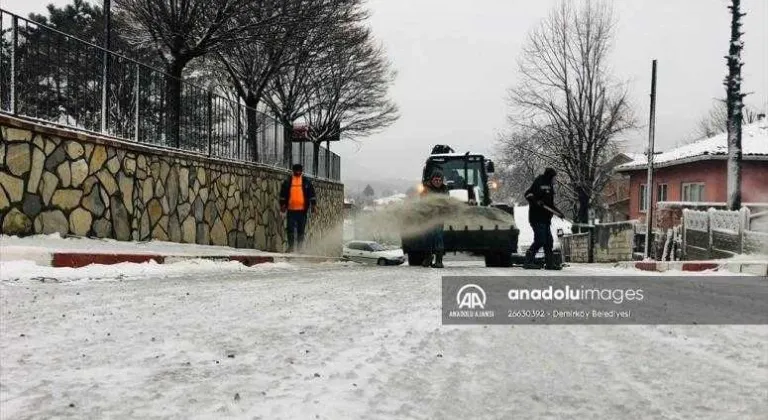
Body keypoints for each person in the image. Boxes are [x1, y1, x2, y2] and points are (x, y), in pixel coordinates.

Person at [524, 167, 565, 270]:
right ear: (549, 176)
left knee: (548, 241)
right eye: (554, 177)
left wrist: (559, 213)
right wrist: (535, 201)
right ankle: (528, 261)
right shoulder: (539, 182)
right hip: (536, 217)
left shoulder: (550, 187)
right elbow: (528, 194)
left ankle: (549, 263)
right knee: (540, 240)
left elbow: (550, 205)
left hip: (546, 219)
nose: (554, 180)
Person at [279, 164, 317, 253]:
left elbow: (312, 194)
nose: (298, 172)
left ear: (301, 171)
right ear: (293, 171)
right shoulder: (288, 181)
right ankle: (291, 247)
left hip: (302, 211)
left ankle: (300, 248)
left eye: (299, 171)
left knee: (301, 230)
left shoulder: (306, 182)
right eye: (296, 171)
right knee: (290, 229)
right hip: (291, 210)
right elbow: (283, 195)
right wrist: (282, 205)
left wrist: (313, 205)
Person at [420, 170, 449, 268]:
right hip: (428, 218)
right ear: (431, 180)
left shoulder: (445, 190)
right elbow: (422, 202)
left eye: (439, 180)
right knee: (427, 238)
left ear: (442, 181)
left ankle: (439, 261)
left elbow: (447, 202)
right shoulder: (426, 189)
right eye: (435, 179)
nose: (437, 181)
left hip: (439, 218)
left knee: (438, 237)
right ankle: (428, 258)